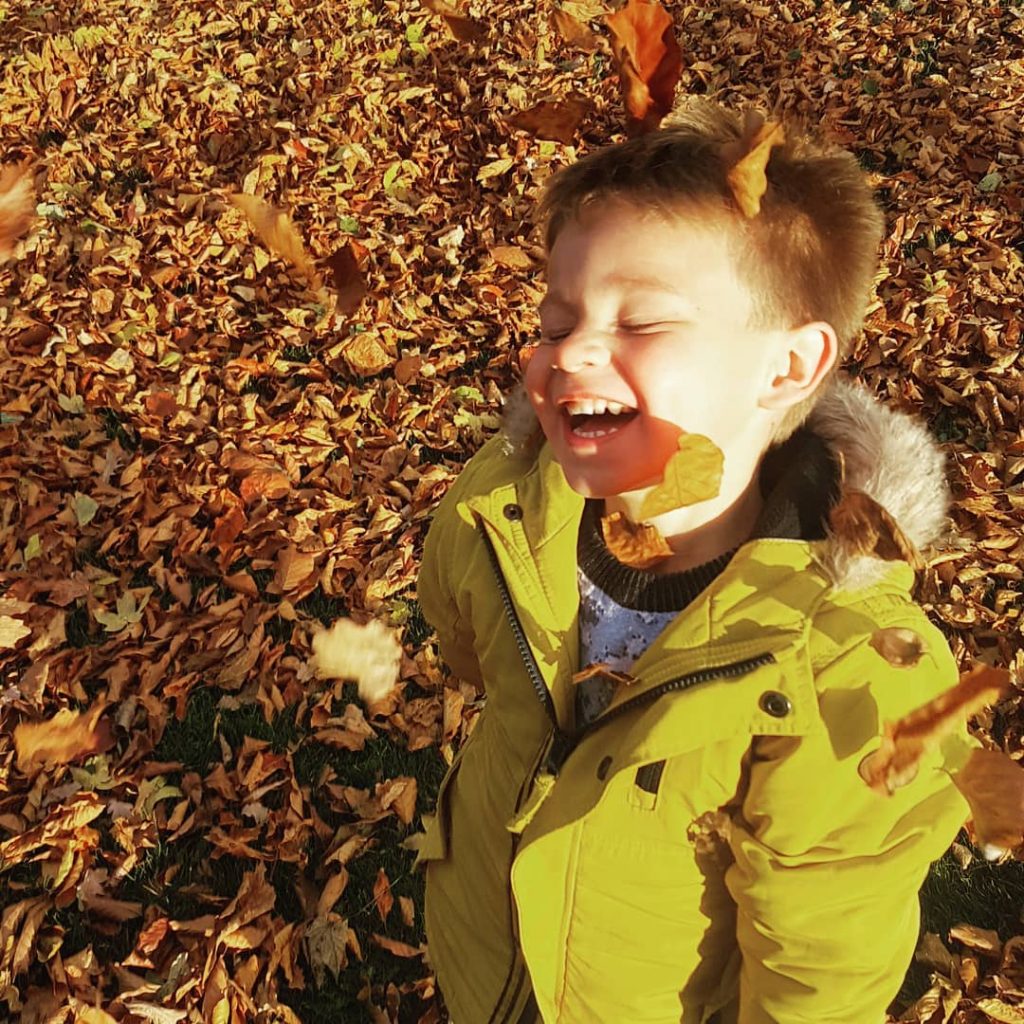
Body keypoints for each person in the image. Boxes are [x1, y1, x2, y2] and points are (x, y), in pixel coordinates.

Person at [414, 99, 978, 1024]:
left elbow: (821, 961)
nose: (572, 352)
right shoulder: (503, 508)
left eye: (640, 323)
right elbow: (462, 637)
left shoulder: (846, 669)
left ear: (787, 368)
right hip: (482, 946)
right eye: (556, 323)